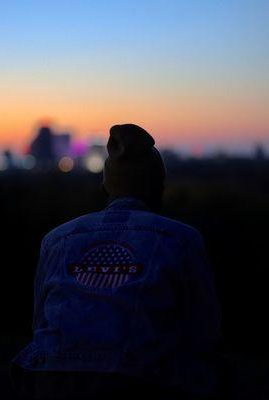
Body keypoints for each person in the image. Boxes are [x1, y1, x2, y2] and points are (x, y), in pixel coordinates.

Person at [11, 124, 221, 399]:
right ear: (159, 186)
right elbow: (203, 331)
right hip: (142, 377)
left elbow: (40, 323)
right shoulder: (182, 239)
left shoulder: (57, 238)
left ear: (105, 185)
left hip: (49, 375)